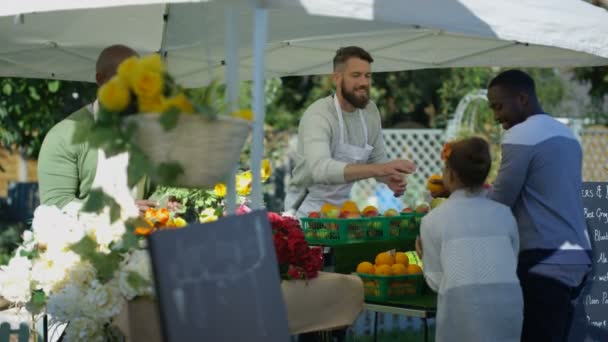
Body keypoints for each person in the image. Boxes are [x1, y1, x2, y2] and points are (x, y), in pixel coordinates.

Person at [430, 69, 593, 341]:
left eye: (499, 106)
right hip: (576, 251)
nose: (496, 116)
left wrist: (457, 197)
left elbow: (500, 202)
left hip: (543, 255)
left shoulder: (522, 135)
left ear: (522, 99)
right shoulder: (567, 135)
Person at [284, 46, 416, 216]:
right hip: (304, 211)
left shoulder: (370, 111)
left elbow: (377, 160)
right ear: (337, 78)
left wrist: (388, 177)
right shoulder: (318, 115)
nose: (364, 83)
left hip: (343, 213)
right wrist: (381, 169)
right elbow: (320, 170)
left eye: (367, 76)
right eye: (356, 75)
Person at [416, 137, 523, 342]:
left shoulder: (432, 220)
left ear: (451, 174)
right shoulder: (505, 214)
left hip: (462, 313)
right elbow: (510, 262)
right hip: (509, 310)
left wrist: (423, 257)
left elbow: (437, 282)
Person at [38, 44, 158, 216]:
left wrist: (165, 201)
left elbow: (157, 188)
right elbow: (55, 204)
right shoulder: (64, 135)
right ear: (101, 80)